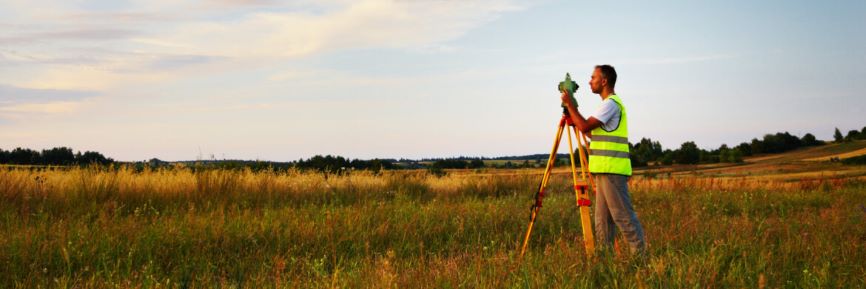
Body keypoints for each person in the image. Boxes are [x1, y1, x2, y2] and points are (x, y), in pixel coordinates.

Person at [559, 65, 646, 254]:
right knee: (602, 222)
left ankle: (640, 259)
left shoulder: (611, 104)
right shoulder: (608, 105)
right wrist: (573, 114)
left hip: (612, 170)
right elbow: (592, 133)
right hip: (604, 170)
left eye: (593, 77)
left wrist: (569, 105)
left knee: (623, 217)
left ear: (604, 81)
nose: (590, 81)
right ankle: (604, 261)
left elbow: (584, 127)